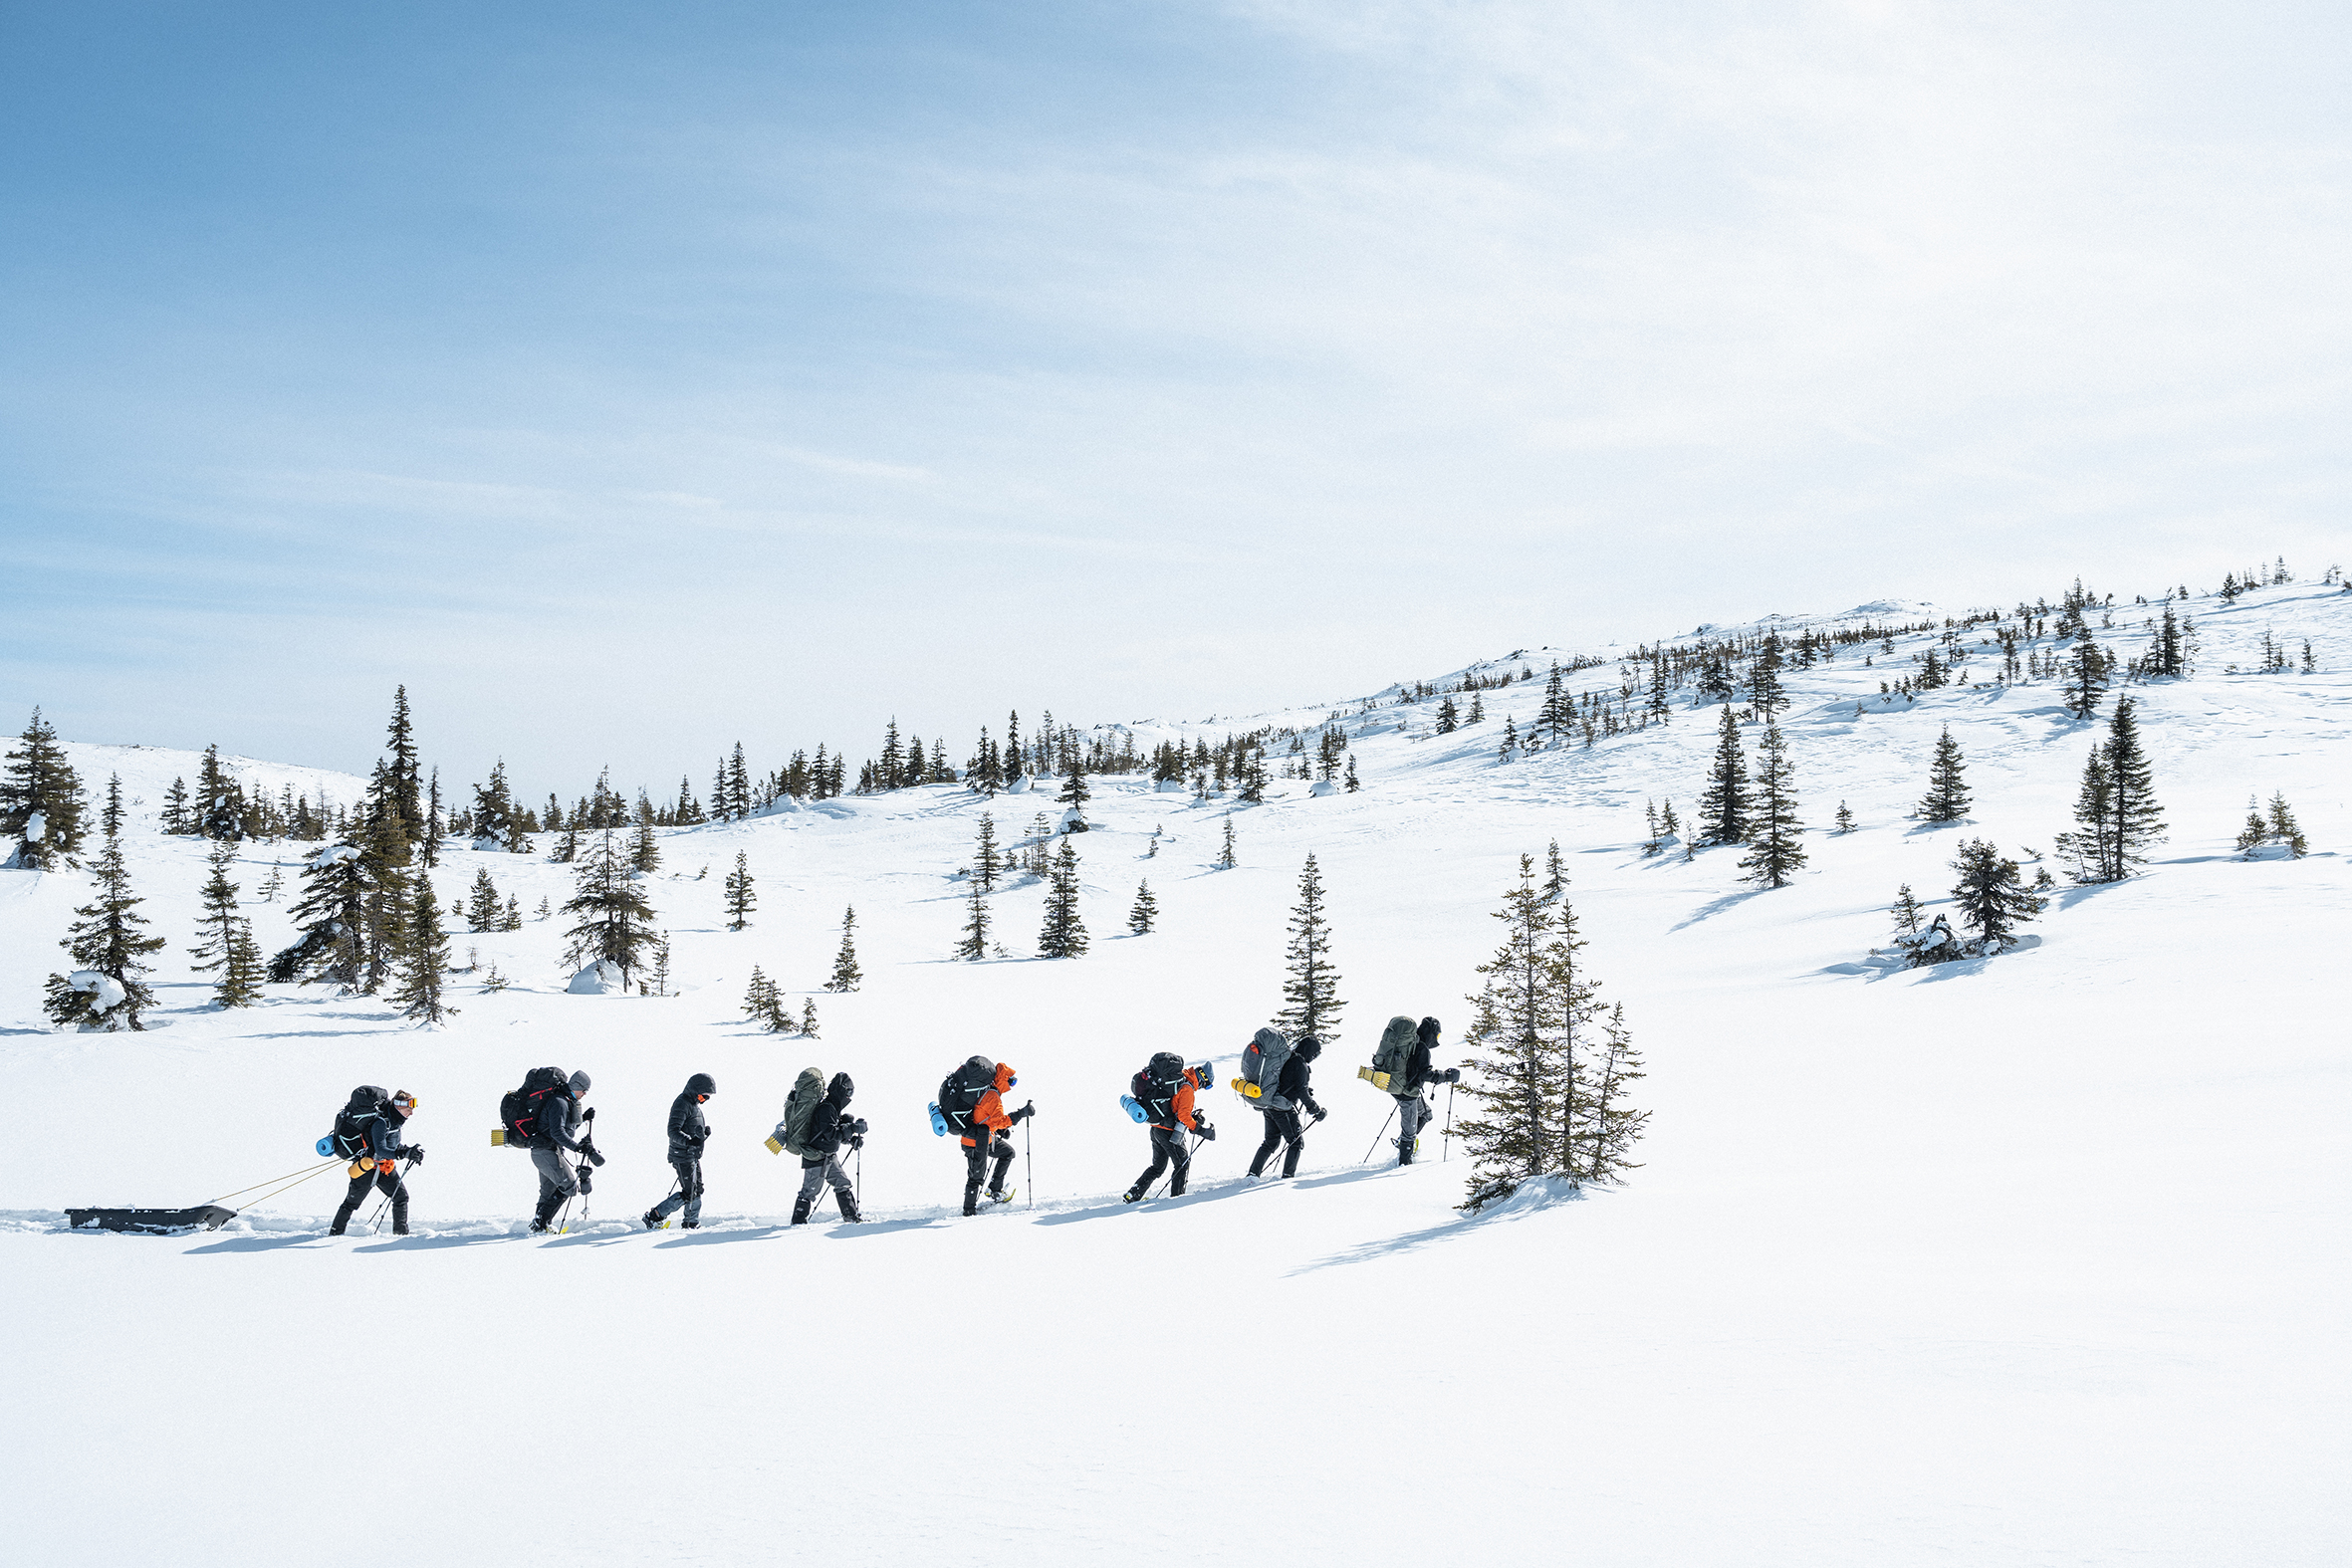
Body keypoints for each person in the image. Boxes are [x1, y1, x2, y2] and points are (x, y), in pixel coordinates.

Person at [329, 1087, 424, 1235]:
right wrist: (403, 1153)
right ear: (398, 1106)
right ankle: (334, 1234)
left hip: (385, 1168)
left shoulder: (395, 1123)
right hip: (366, 1168)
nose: (411, 1113)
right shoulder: (381, 1122)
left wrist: (410, 1151)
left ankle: (401, 1234)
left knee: (401, 1197)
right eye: (409, 1108)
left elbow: (393, 1146)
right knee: (351, 1204)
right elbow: (381, 1149)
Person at [1122, 1052, 1214, 1203]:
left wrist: (1193, 1118)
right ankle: (1176, 1200)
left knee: (1157, 1167)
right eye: (1207, 1085)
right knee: (1182, 1164)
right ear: (1203, 1079)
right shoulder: (1187, 1089)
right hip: (1169, 1134)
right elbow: (1183, 1117)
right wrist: (1201, 1130)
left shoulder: (1179, 1079)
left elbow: (1176, 1108)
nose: (1204, 1088)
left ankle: (1132, 1195)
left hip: (1156, 1128)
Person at [952, 1060, 1032, 1216]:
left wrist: (999, 1132)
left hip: (984, 1138)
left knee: (1007, 1152)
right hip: (975, 1143)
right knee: (976, 1177)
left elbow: (984, 1118)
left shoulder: (990, 1093)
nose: (1012, 1086)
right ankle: (968, 1211)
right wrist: (1021, 1114)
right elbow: (999, 1120)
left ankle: (995, 1189)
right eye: (1011, 1081)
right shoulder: (992, 1096)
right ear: (1003, 1080)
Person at [528, 1070, 599, 1232]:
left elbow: (560, 1128)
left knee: (548, 1191)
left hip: (546, 1151)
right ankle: (541, 1223)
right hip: (545, 1152)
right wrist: (577, 1147)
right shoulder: (559, 1101)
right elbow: (557, 1132)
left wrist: (583, 1119)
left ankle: (540, 1225)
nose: (585, 1094)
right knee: (570, 1186)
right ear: (577, 1086)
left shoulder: (564, 1100)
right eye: (584, 1090)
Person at [642, 1072, 715, 1231]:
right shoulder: (682, 1103)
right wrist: (689, 1141)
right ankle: (655, 1216)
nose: (704, 1100)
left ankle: (691, 1223)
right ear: (695, 1090)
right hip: (682, 1155)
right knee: (690, 1191)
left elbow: (691, 1129)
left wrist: (702, 1135)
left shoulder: (693, 1105)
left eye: (707, 1098)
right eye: (703, 1096)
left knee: (696, 1189)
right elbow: (673, 1130)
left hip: (691, 1155)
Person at [1248, 1034, 1326, 1181]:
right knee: (1296, 1142)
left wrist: (1301, 1090)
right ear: (1309, 1051)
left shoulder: (1288, 1058)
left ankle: (1253, 1174)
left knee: (1270, 1142)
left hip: (1269, 1105)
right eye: (1315, 1054)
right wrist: (1316, 1110)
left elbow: (1287, 1082)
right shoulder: (1300, 1064)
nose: (1314, 1057)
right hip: (1282, 1109)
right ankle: (1287, 1178)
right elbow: (1301, 1090)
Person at [794, 1072, 865, 1225]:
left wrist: (851, 1139)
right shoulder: (826, 1109)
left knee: (843, 1183)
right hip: (817, 1157)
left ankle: (851, 1218)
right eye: (849, 1091)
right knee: (809, 1192)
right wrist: (852, 1128)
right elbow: (830, 1133)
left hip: (828, 1156)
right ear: (841, 1090)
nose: (850, 1096)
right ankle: (798, 1223)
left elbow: (834, 1132)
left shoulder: (833, 1108)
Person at [1393, 1016, 1461, 1166]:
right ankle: (1404, 1163)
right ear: (1430, 1033)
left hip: (1404, 1087)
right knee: (1409, 1132)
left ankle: (1403, 1143)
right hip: (1407, 1093)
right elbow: (1425, 1074)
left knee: (1426, 1114)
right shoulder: (1421, 1047)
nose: (1437, 1039)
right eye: (1437, 1035)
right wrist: (1446, 1076)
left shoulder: (1413, 1043)